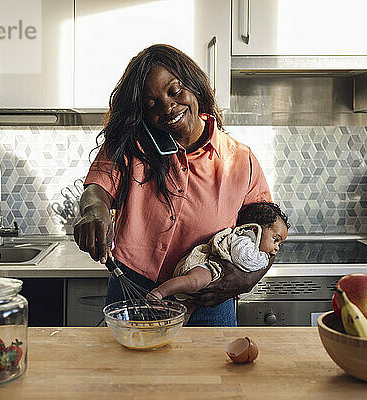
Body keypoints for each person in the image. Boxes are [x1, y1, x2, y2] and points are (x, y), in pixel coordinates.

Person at [74, 44, 273, 326]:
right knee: (126, 371)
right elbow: (97, 189)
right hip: (133, 290)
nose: (167, 107)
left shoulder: (240, 159)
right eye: (151, 104)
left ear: (194, 86)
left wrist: (247, 278)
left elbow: (268, 230)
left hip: (209, 299)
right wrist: (94, 210)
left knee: (212, 371)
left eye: (175, 91)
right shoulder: (130, 145)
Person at [149, 202, 289, 319]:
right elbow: (243, 259)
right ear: (255, 229)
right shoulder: (245, 238)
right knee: (194, 282)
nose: (276, 248)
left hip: (215, 277)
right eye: (275, 240)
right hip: (207, 265)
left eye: (279, 244)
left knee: (190, 304)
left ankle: (181, 323)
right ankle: (160, 293)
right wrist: (265, 258)